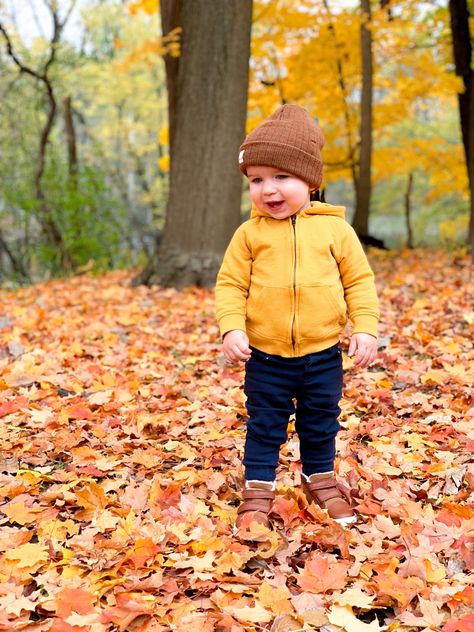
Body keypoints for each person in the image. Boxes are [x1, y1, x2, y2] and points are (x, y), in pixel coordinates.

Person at [215, 104, 379, 531]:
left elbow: (358, 281)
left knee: (321, 417)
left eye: (281, 177)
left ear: (310, 180)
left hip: (322, 353)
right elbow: (230, 284)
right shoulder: (249, 234)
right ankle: (257, 489)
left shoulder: (335, 231)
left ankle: (318, 477)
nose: (268, 189)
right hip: (266, 356)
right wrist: (232, 326)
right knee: (265, 423)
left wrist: (364, 327)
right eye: (257, 180)